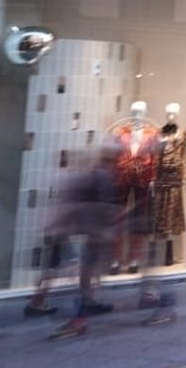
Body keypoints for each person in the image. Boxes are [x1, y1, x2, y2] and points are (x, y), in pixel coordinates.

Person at [43, 142, 125, 340]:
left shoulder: (93, 174)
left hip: (82, 229)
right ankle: (79, 316)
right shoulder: (102, 176)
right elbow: (103, 205)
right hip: (91, 230)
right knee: (86, 270)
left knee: (85, 270)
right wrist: (110, 228)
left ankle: (83, 309)